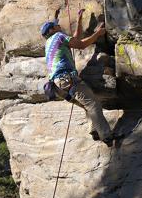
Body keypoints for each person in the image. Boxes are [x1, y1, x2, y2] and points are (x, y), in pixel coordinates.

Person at [41, 10, 114, 145]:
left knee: (87, 104)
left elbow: (76, 39)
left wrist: (79, 19)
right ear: (52, 29)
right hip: (66, 79)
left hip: (58, 86)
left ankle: (94, 130)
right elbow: (81, 45)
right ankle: (107, 135)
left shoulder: (49, 43)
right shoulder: (58, 36)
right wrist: (98, 34)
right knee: (93, 104)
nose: (59, 26)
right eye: (56, 25)